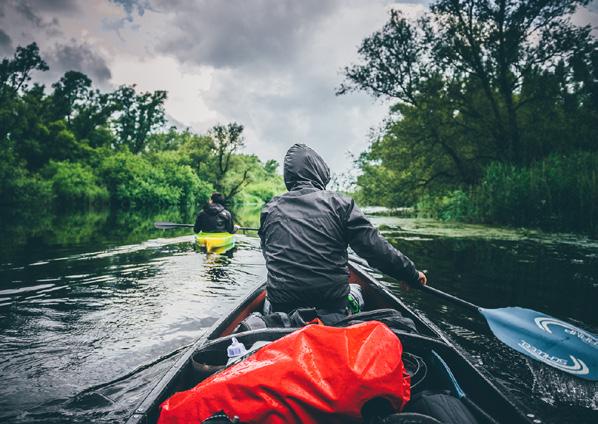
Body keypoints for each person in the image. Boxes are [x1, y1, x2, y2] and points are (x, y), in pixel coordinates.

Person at [259, 144, 427, 317]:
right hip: (331, 306)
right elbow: (375, 249)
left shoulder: (270, 209)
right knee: (356, 289)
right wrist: (410, 274)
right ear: (319, 171)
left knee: (267, 299)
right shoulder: (340, 204)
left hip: (283, 307)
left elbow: (269, 254)